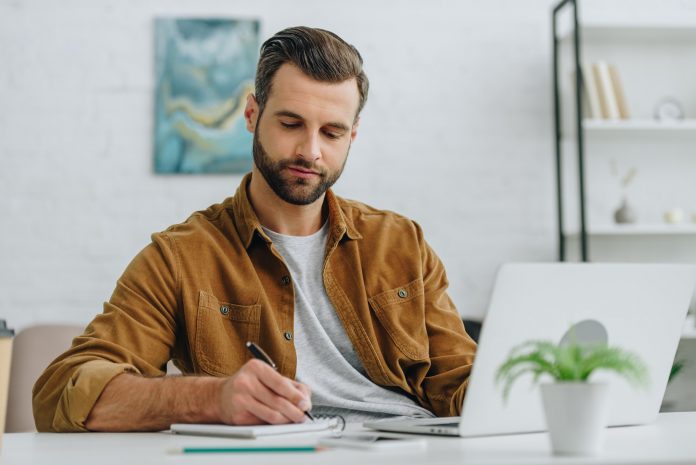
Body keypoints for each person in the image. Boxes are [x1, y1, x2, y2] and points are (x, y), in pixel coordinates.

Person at [33, 26, 476, 432]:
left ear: (353, 136)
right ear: (251, 114)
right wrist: (211, 398)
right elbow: (62, 393)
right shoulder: (181, 257)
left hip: (415, 448)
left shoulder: (401, 244)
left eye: (333, 133)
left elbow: (462, 384)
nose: (311, 151)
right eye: (290, 124)